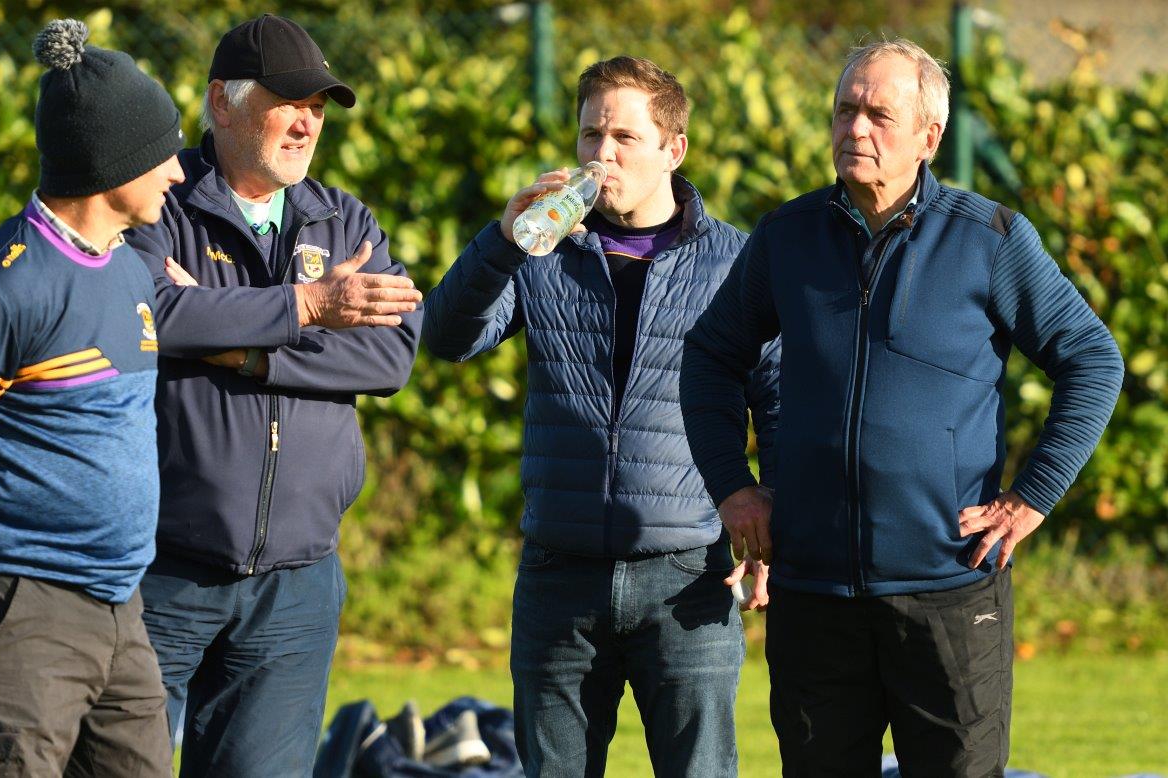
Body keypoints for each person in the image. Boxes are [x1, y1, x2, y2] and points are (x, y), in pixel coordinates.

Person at [681, 39, 1124, 777]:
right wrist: (732, 486)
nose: (856, 129)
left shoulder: (990, 239)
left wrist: (1032, 497)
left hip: (950, 590)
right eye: (845, 110)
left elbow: (1092, 358)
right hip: (814, 595)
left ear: (929, 136)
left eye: (879, 114)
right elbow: (710, 357)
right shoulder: (786, 237)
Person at [423, 56, 780, 777]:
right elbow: (448, 338)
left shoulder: (735, 261)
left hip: (688, 576)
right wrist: (501, 240)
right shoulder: (541, 251)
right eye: (590, 135)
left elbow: (777, 400)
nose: (601, 155)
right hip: (560, 571)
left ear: (673, 150)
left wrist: (773, 525)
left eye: (622, 137)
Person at [123, 14, 422, 777]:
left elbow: (389, 356)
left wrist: (249, 353)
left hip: (297, 586)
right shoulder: (162, 201)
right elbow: (153, 313)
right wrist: (311, 307)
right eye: (288, 102)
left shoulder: (344, 217)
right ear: (222, 103)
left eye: (318, 108)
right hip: (162, 573)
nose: (305, 123)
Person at [0, 19, 185, 776]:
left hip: (122, 606)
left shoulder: (126, 269)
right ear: (107, 160)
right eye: (162, 153)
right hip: (16, 604)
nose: (177, 173)